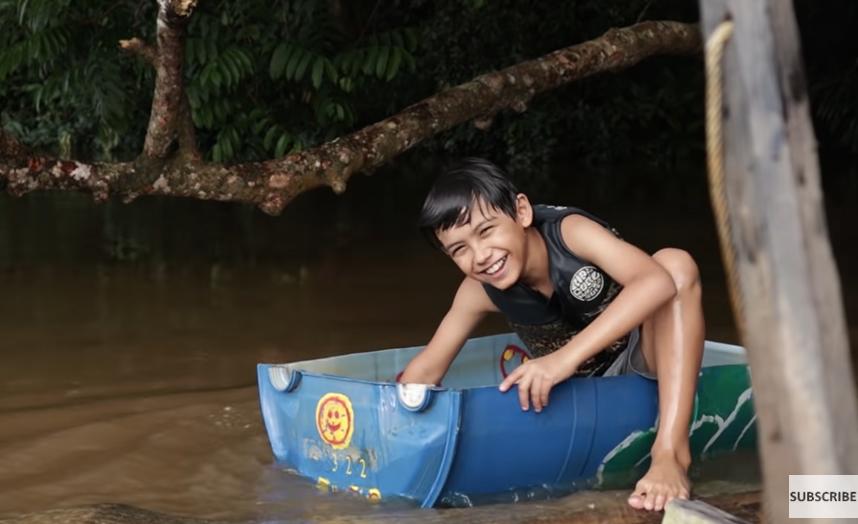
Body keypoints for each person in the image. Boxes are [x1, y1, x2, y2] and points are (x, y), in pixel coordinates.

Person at [399, 158, 704, 512]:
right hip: (579, 388)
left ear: (522, 212)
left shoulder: (571, 232)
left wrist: (562, 359)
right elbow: (424, 373)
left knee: (674, 263)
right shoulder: (476, 292)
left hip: (643, 358)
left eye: (487, 231)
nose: (481, 256)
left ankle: (670, 453)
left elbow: (657, 282)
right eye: (460, 250)